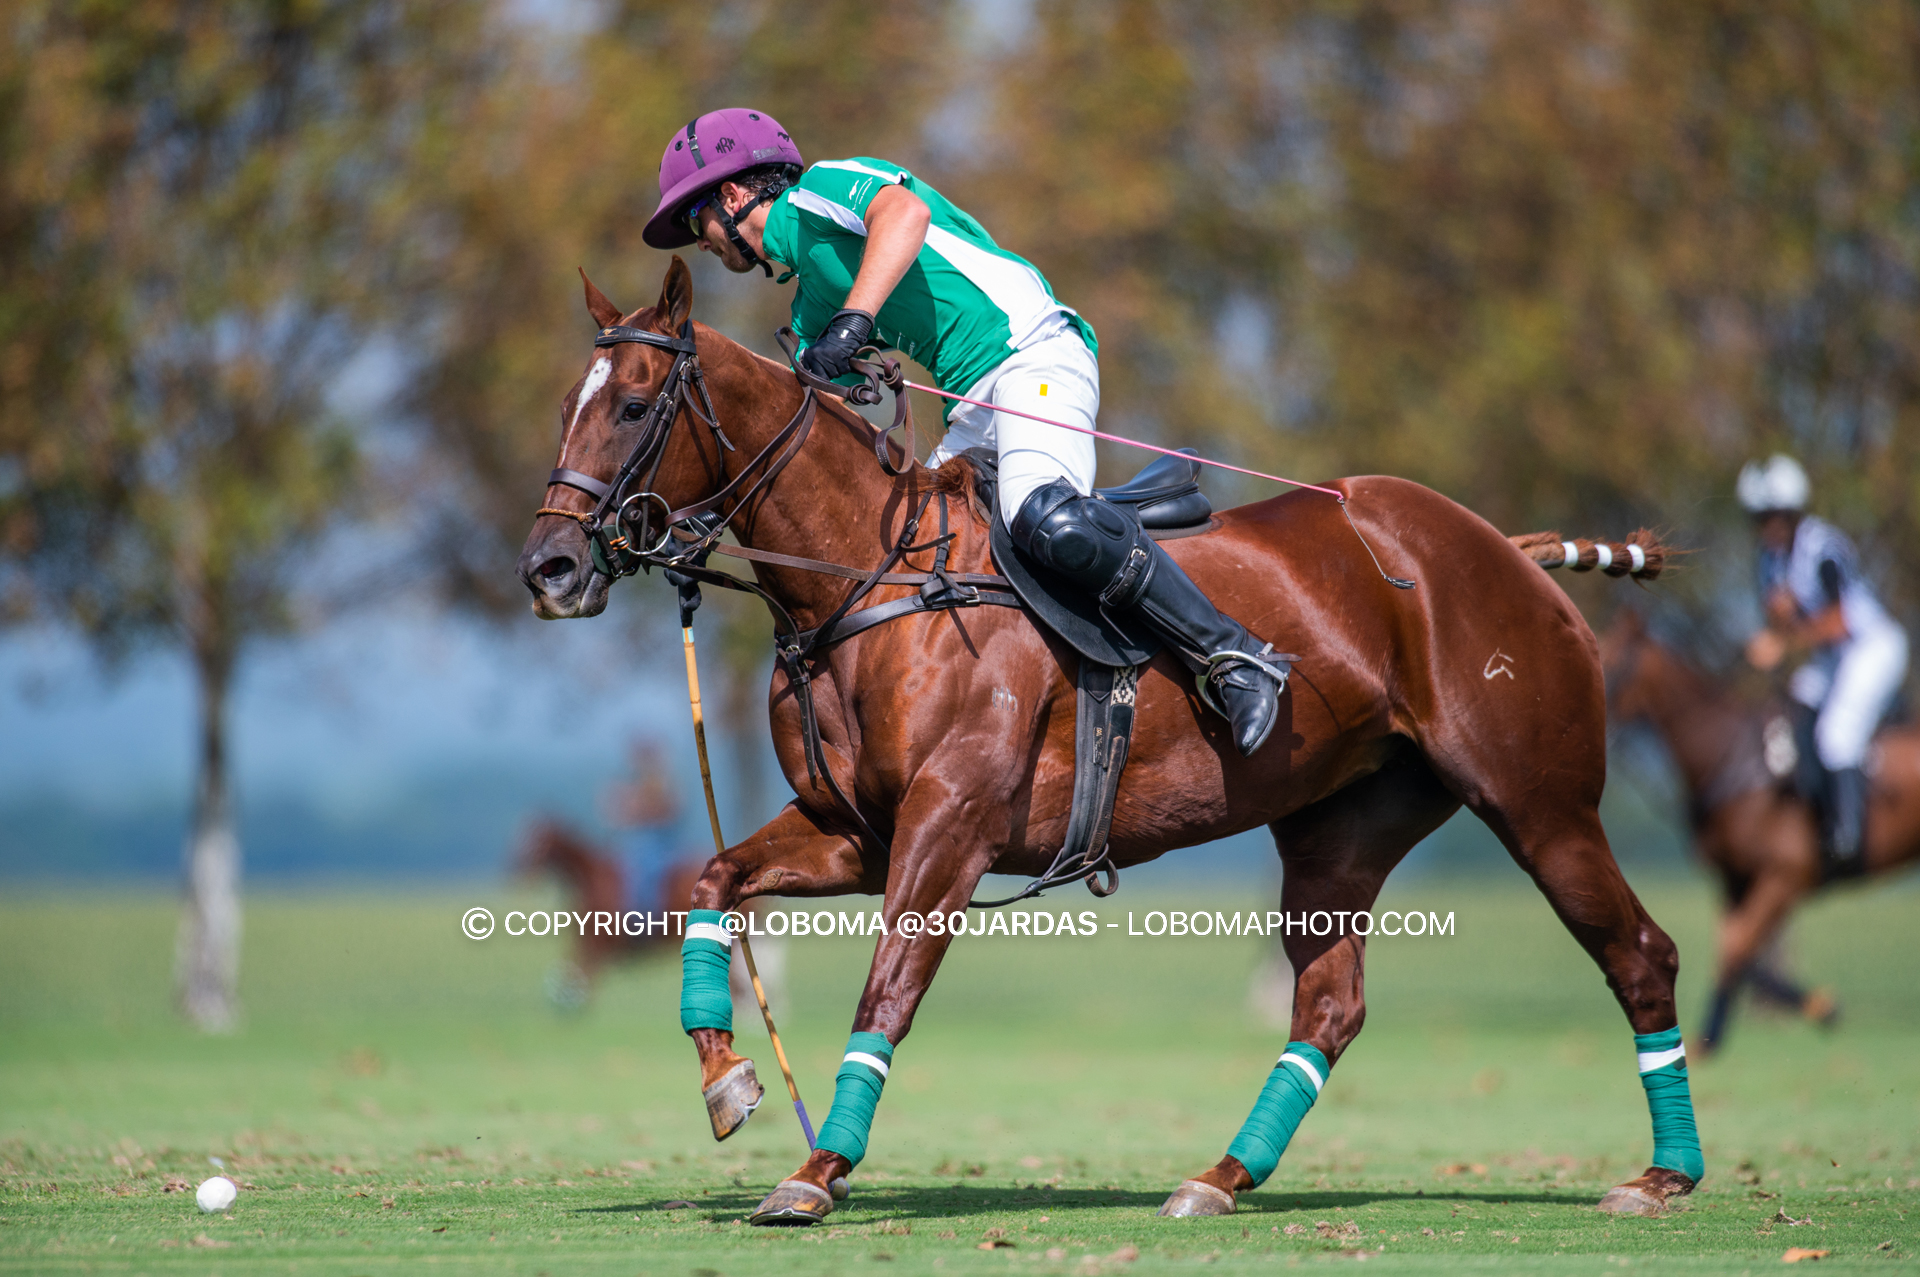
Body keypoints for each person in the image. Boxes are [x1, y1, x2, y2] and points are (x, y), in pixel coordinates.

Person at [641, 108, 1288, 756]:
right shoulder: (809, 301)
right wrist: (701, 519)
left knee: (1044, 516)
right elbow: (781, 438)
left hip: (1032, 352)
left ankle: (1232, 655)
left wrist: (855, 320)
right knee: (915, 558)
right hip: (974, 410)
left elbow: (904, 217)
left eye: (695, 218)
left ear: (731, 195)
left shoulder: (822, 189)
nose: (699, 240)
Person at [1739, 454, 1908, 880]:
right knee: (1794, 709)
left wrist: (1782, 641)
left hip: (1870, 647)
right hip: (1833, 657)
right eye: (1759, 518)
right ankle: (1812, 814)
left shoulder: (1823, 546)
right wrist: (1778, 622)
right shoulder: (1770, 558)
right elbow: (1781, 613)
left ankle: (1847, 836)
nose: (1767, 526)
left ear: (1793, 513)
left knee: (1837, 734)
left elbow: (1839, 621)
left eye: (1774, 516)